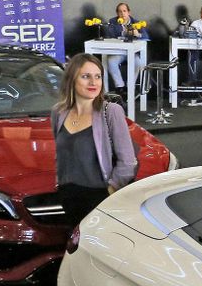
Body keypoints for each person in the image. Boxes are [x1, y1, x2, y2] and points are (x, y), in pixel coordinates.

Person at [51, 53, 138, 226]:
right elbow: (61, 154)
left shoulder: (111, 111)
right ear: (72, 79)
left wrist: (109, 191)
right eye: (86, 76)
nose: (93, 82)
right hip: (68, 199)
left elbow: (128, 162)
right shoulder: (58, 112)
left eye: (98, 76)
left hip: (100, 199)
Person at [102, 3, 136, 89]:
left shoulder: (136, 22)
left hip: (133, 52)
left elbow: (146, 36)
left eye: (124, 11)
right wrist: (123, 32)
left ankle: (130, 86)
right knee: (111, 61)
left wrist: (138, 34)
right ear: (117, 13)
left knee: (139, 63)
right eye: (120, 11)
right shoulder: (113, 22)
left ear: (129, 12)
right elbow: (110, 35)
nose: (122, 13)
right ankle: (120, 86)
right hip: (119, 52)